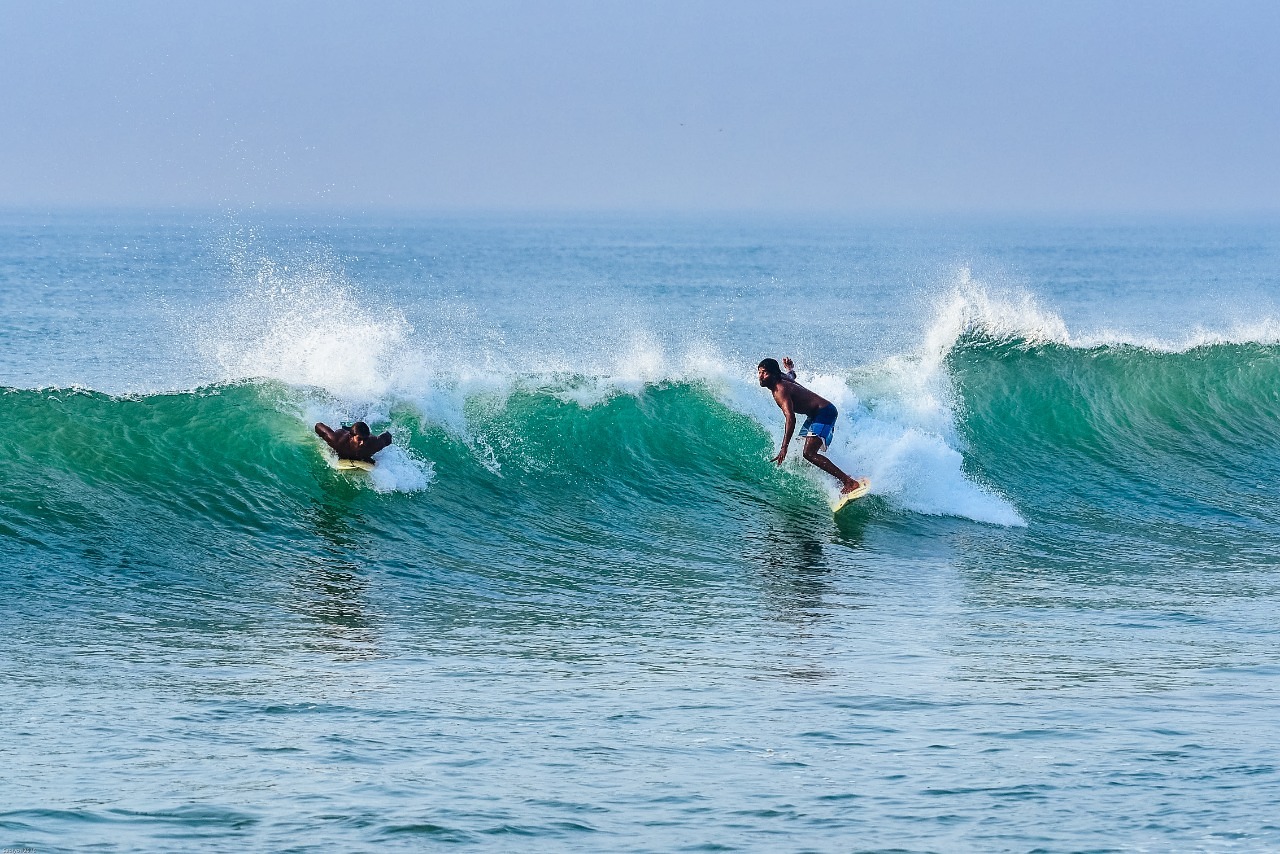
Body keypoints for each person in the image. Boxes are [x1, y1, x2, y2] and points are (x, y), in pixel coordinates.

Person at [757, 357, 862, 495]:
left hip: (824, 413)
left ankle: (849, 482)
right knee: (802, 451)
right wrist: (790, 369)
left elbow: (791, 418)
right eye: (759, 372)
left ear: (773, 374)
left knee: (809, 453)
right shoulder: (781, 378)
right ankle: (841, 477)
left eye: (764, 373)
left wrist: (784, 447)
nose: (760, 376)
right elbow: (791, 376)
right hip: (814, 415)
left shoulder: (780, 390)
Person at [314, 420, 393, 463]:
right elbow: (318, 425)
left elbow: (387, 437)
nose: (363, 443)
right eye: (359, 440)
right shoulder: (337, 441)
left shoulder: (374, 443)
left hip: (356, 432)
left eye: (365, 439)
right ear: (350, 437)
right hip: (344, 431)